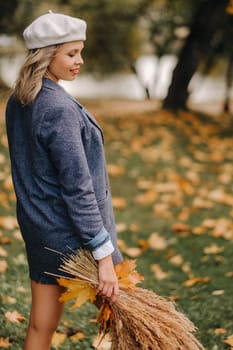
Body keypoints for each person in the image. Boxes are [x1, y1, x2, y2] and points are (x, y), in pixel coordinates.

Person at [5, 11, 122, 350]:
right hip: (80, 237)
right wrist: (103, 254)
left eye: (80, 51)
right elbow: (77, 188)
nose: (80, 60)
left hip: (41, 231)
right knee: (122, 318)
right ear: (46, 55)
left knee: (41, 325)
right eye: (72, 53)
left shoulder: (19, 101)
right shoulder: (58, 109)